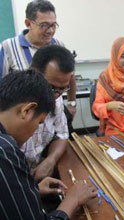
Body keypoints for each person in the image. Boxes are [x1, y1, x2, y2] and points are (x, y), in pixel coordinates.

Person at [0, 70, 97, 220]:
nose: (35, 132)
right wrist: (72, 200)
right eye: (39, 122)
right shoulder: (5, 151)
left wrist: (33, 191)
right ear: (27, 111)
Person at [0, 0, 77, 131]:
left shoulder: (58, 45)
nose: (51, 31)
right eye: (44, 25)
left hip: (54, 117)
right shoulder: (8, 47)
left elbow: (70, 76)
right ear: (28, 23)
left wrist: (71, 103)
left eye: (54, 25)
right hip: (24, 120)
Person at [22, 45, 73, 182]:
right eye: (51, 87)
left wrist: (50, 160)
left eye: (62, 89)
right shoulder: (15, 104)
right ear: (33, 73)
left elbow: (62, 135)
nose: (56, 95)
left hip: (39, 173)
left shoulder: (56, 99)